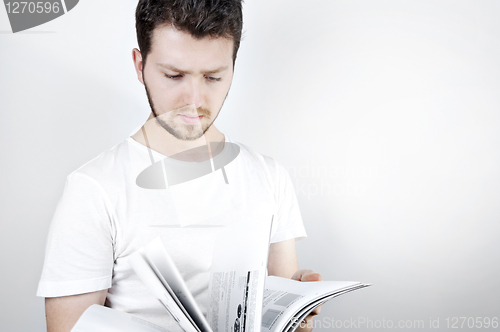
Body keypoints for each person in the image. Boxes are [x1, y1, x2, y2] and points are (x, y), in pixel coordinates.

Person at [37, 1, 322, 331]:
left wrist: (298, 316)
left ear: (232, 68)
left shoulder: (270, 178)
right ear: (139, 65)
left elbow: (281, 310)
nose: (194, 100)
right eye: (174, 75)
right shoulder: (94, 190)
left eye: (213, 77)